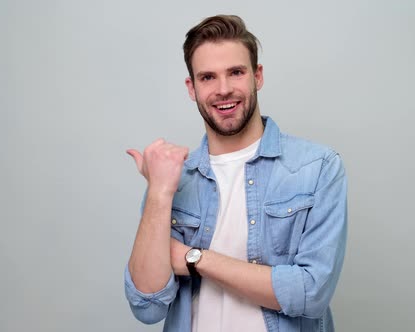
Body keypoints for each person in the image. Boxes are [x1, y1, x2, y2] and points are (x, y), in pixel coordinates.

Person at [124, 14, 347, 332]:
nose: (223, 89)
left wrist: (195, 258)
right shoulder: (172, 179)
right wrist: (159, 192)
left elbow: (311, 293)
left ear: (258, 76)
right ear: (192, 87)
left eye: (236, 72)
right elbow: (147, 305)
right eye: (208, 77)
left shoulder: (318, 167)